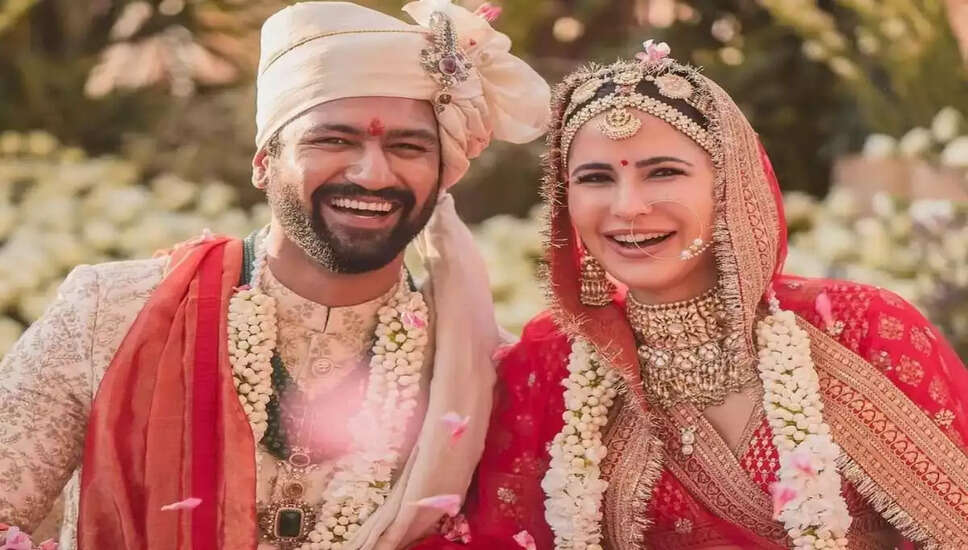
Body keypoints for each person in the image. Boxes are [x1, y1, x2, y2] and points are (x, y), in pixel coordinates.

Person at [0, 1, 550, 549]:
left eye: (408, 147)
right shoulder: (111, 313)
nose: (372, 174)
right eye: (333, 140)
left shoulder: (474, 376)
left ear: (443, 171)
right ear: (264, 163)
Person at [410, 41, 968, 550]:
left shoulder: (860, 328)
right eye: (596, 178)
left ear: (730, 185)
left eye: (664, 172)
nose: (628, 207)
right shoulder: (552, 365)